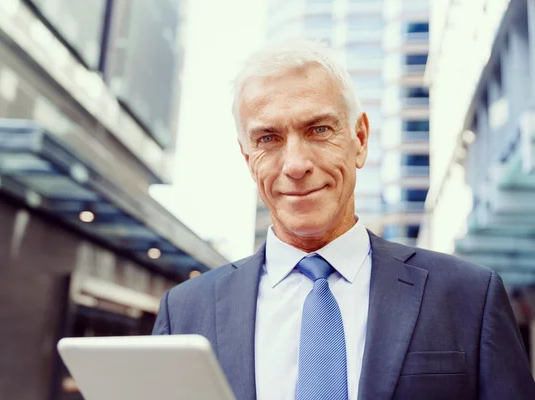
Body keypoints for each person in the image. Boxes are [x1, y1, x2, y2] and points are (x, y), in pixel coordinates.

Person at [152, 40, 535, 399]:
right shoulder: (184, 312)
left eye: (318, 130)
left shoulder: (469, 296)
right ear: (247, 157)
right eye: (268, 138)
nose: (296, 165)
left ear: (360, 139)